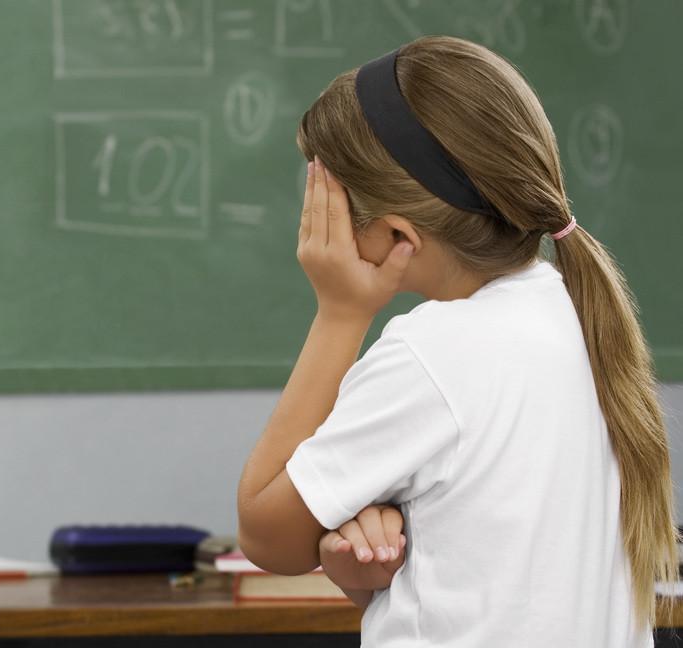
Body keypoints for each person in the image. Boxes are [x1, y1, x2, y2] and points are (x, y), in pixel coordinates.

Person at [236, 35, 678, 647]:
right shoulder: (577, 313)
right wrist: (363, 557)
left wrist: (340, 314)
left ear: (398, 236)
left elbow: (267, 535)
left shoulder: (433, 354)